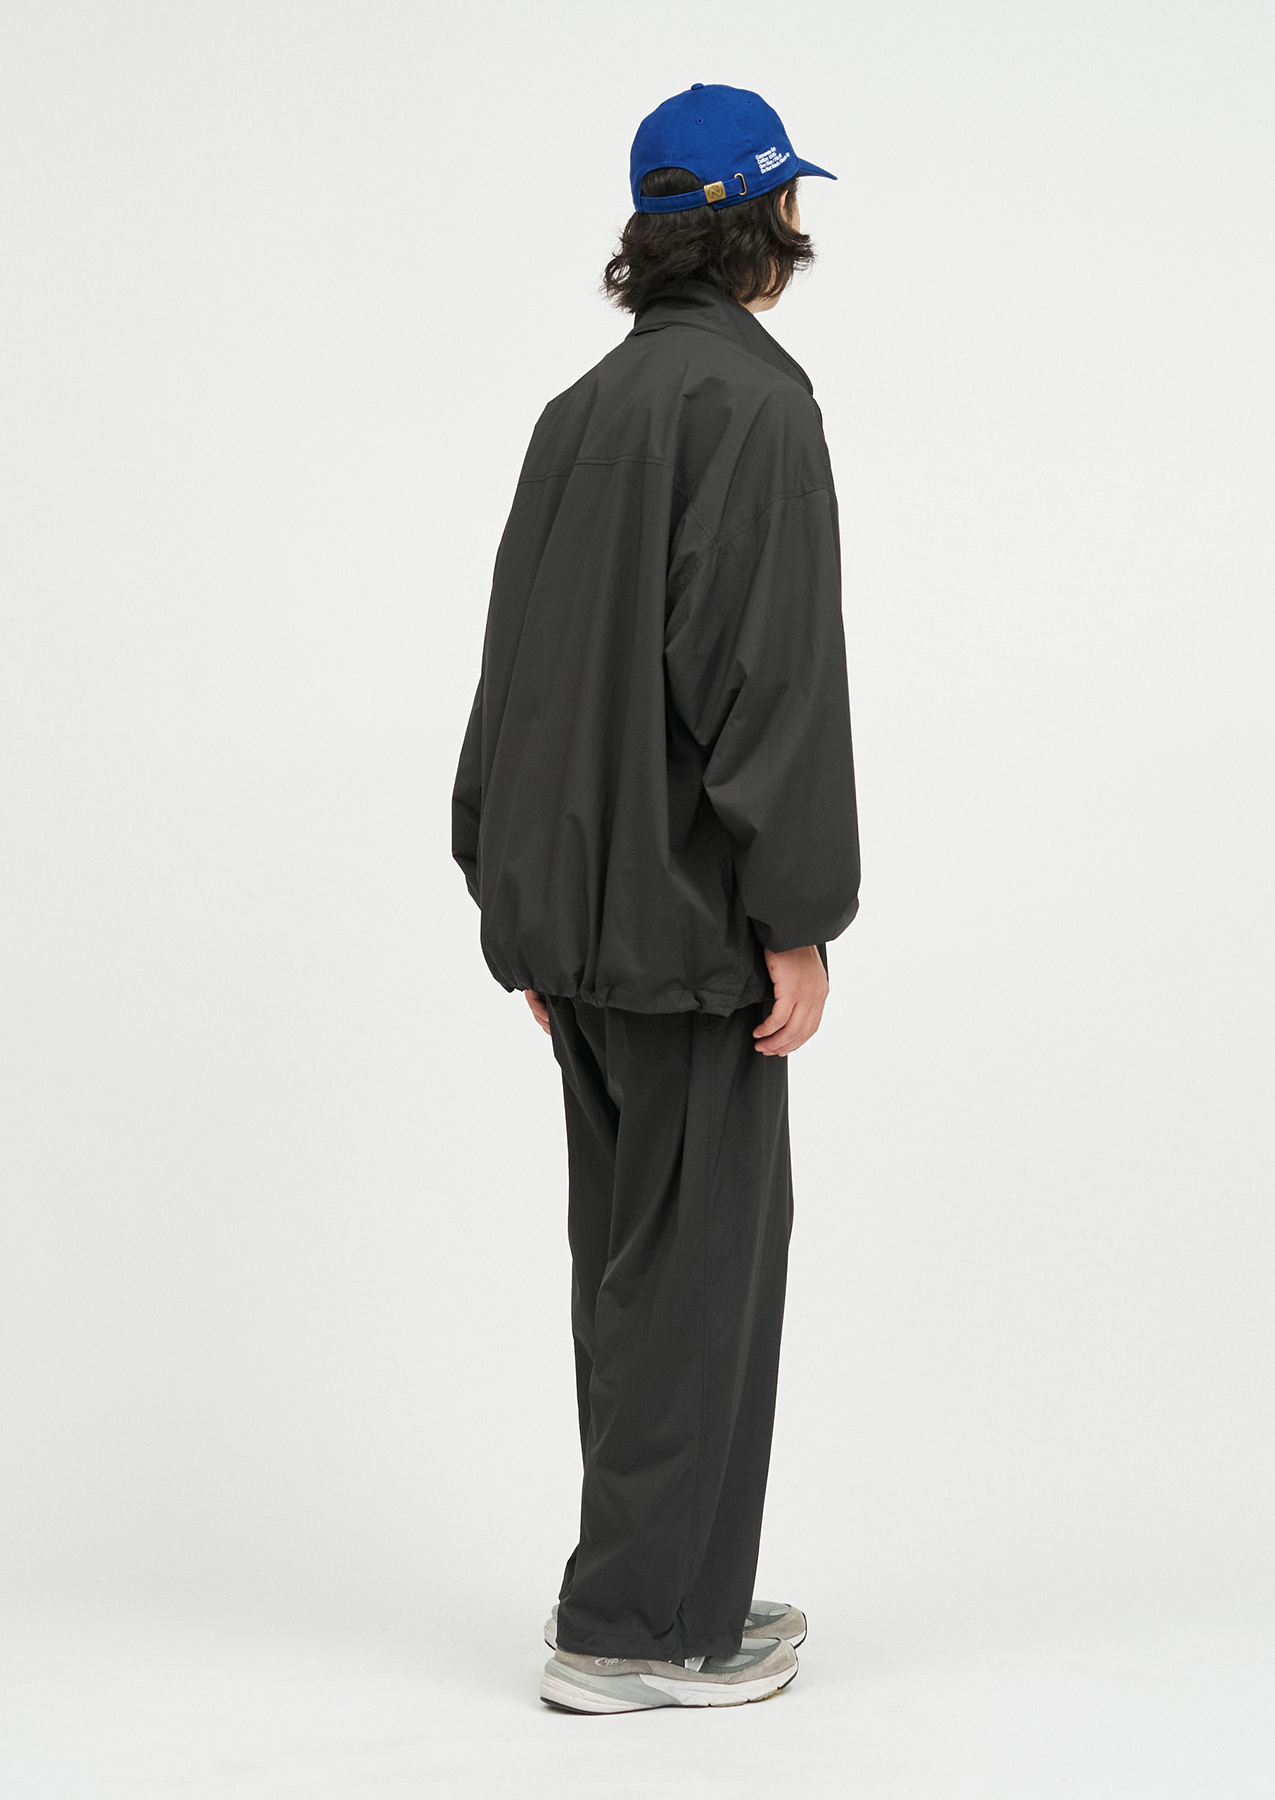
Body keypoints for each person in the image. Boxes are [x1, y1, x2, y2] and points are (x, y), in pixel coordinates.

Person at [451, 81, 859, 1714]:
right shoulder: (757, 408)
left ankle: (677, 1591)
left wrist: (517, 902)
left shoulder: (579, 412)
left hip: (582, 933)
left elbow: (513, 672)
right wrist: (797, 918)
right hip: (695, 936)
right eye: (794, 203)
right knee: (699, 1280)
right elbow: (768, 686)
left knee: (633, 1277)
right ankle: (632, 1632)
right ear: (766, 220)